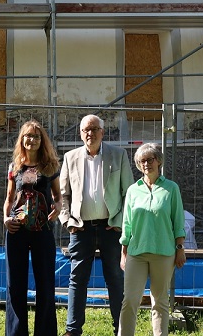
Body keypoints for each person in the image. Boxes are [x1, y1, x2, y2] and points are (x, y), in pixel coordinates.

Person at [58, 114, 133, 336]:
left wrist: (120, 222)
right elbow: (63, 195)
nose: (89, 133)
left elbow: (128, 192)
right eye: (85, 130)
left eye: (94, 129)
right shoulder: (70, 157)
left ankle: (120, 328)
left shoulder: (118, 155)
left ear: (103, 131)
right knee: (77, 279)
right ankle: (73, 330)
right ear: (81, 134)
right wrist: (68, 221)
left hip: (111, 228)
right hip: (81, 228)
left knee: (115, 278)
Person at [118, 142, 186, 336]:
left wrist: (180, 247)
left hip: (164, 252)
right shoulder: (133, 190)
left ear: (158, 161)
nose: (146, 163)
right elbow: (127, 223)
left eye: (150, 159)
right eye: (142, 161)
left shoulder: (171, 189)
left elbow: (177, 220)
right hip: (136, 253)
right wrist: (124, 252)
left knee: (160, 301)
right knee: (130, 300)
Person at [3, 120, 62, 336]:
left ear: (42, 141)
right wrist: (5, 218)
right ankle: (16, 332)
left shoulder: (51, 166)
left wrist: (57, 208)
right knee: (14, 286)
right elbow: (9, 199)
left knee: (45, 284)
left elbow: (57, 196)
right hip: (16, 230)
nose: (32, 140)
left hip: (42, 230)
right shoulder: (15, 167)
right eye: (28, 136)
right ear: (22, 140)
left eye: (36, 137)